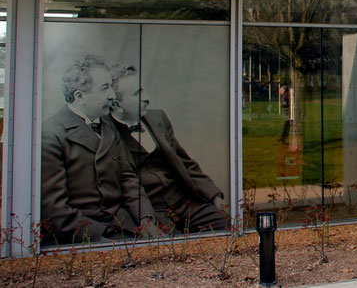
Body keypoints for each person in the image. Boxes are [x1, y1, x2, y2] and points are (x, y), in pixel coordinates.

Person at [41, 55, 158, 244]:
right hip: (88, 231)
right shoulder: (51, 134)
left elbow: (128, 178)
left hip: (125, 221)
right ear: (80, 96)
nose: (112, 95)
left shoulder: (107, 124)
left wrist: (146, 218)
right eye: (105, 88)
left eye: (111, 86)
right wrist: (101, 236)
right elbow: (55, 210)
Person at [110, 65, 228, 234]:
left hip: (185, 202)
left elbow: (184, 162)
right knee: (175, 248)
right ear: (116, 104)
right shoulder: (107, 134)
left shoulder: (157, 118)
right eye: (137, 94)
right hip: (152, 210)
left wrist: (214, 197)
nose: (147, 98)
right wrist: (146, 219)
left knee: (224, 227)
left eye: (143, 90)